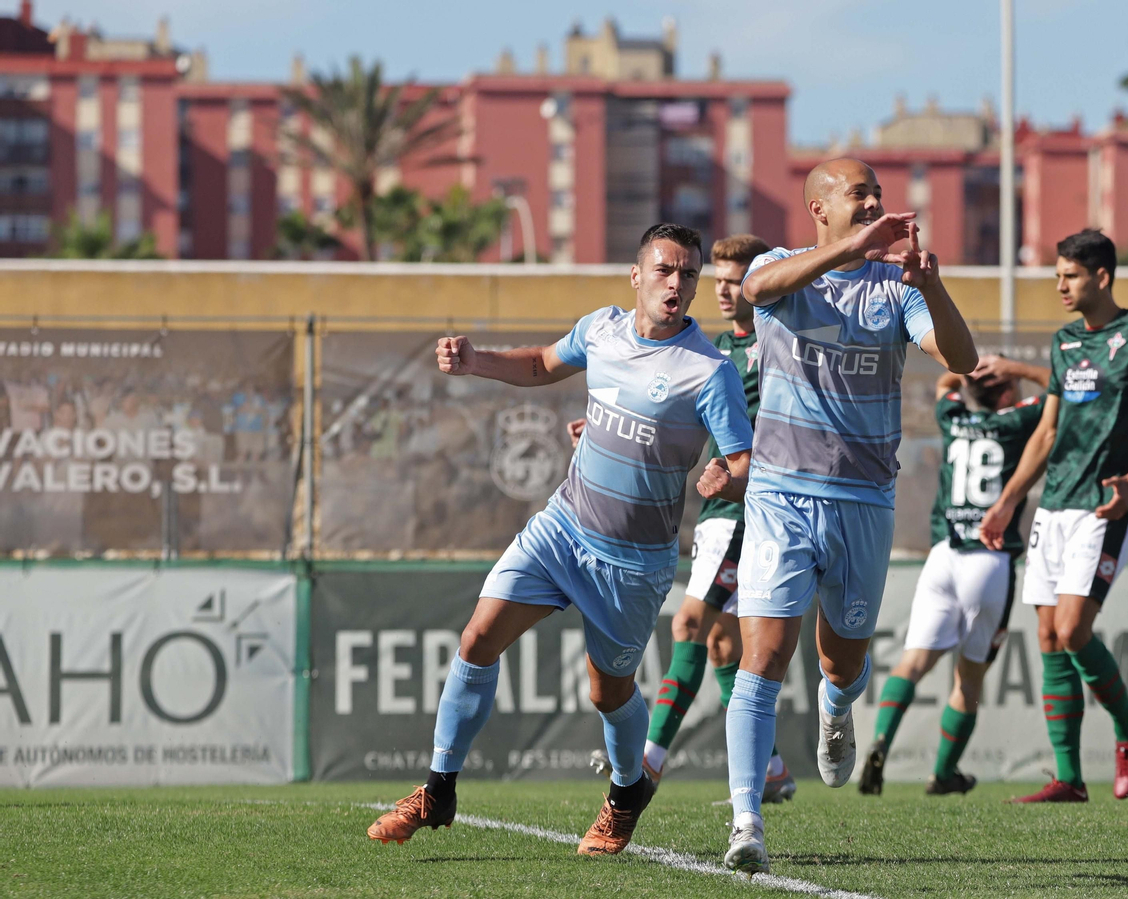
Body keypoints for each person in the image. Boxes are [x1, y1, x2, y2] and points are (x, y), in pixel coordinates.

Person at [365, 223, 754, 856]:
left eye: (688, 274)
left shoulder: (708, 371)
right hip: (563, 526)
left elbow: (742, 461)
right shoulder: (601, 328)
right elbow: (546, 363)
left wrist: (723, 475)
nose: (676, 284)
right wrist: (476, 361)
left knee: (609, 691)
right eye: (664, 270)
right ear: (636, 275)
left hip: (633, 562)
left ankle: (626, 794)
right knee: (478, 636)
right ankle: (437, 789)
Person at [723, 158, 977, 875]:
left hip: (864, 500)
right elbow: (755, 290)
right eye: (858, 193)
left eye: (878, 193)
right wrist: (854, 248)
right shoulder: (781, 265)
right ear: (819, 208)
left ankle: (837, 707)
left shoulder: (895, 284)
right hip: (779, 496)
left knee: (844, 660)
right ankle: (747, 821)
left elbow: (961, 356)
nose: (873, 201)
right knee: (764, 656)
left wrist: (928, 282)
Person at [582, 234, 798, 804]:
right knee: (723, 645)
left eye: (736, 279)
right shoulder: (714, 349)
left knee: (689, 626)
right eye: (720, 279)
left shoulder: (778, 347)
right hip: (715, 507)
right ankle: (771, 769)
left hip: (747, 510)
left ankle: (649, 763)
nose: (726, 290)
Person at [978, 229, 1128, 804]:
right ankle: (1068, 776)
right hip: (1056, 504)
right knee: (1046, 636)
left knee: (1072, 629)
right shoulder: (1064, 341)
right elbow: (1047, 431)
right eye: (1058, 276)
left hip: (1105, 503)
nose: (1061, 286)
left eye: (1069, 276)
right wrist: (1010, 498)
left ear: (1102, 277)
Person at [858, 354, 1048, 797]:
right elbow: (1060, 388)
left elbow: (947, 382)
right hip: (989, 558)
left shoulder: (955, 417)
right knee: (969, 678)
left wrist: (972, 365)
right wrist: (1014, 368)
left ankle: (882, 740)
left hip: (943, 556)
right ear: (1005, 391)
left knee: (913, 663)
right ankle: (943, 772)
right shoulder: (1016, 422)